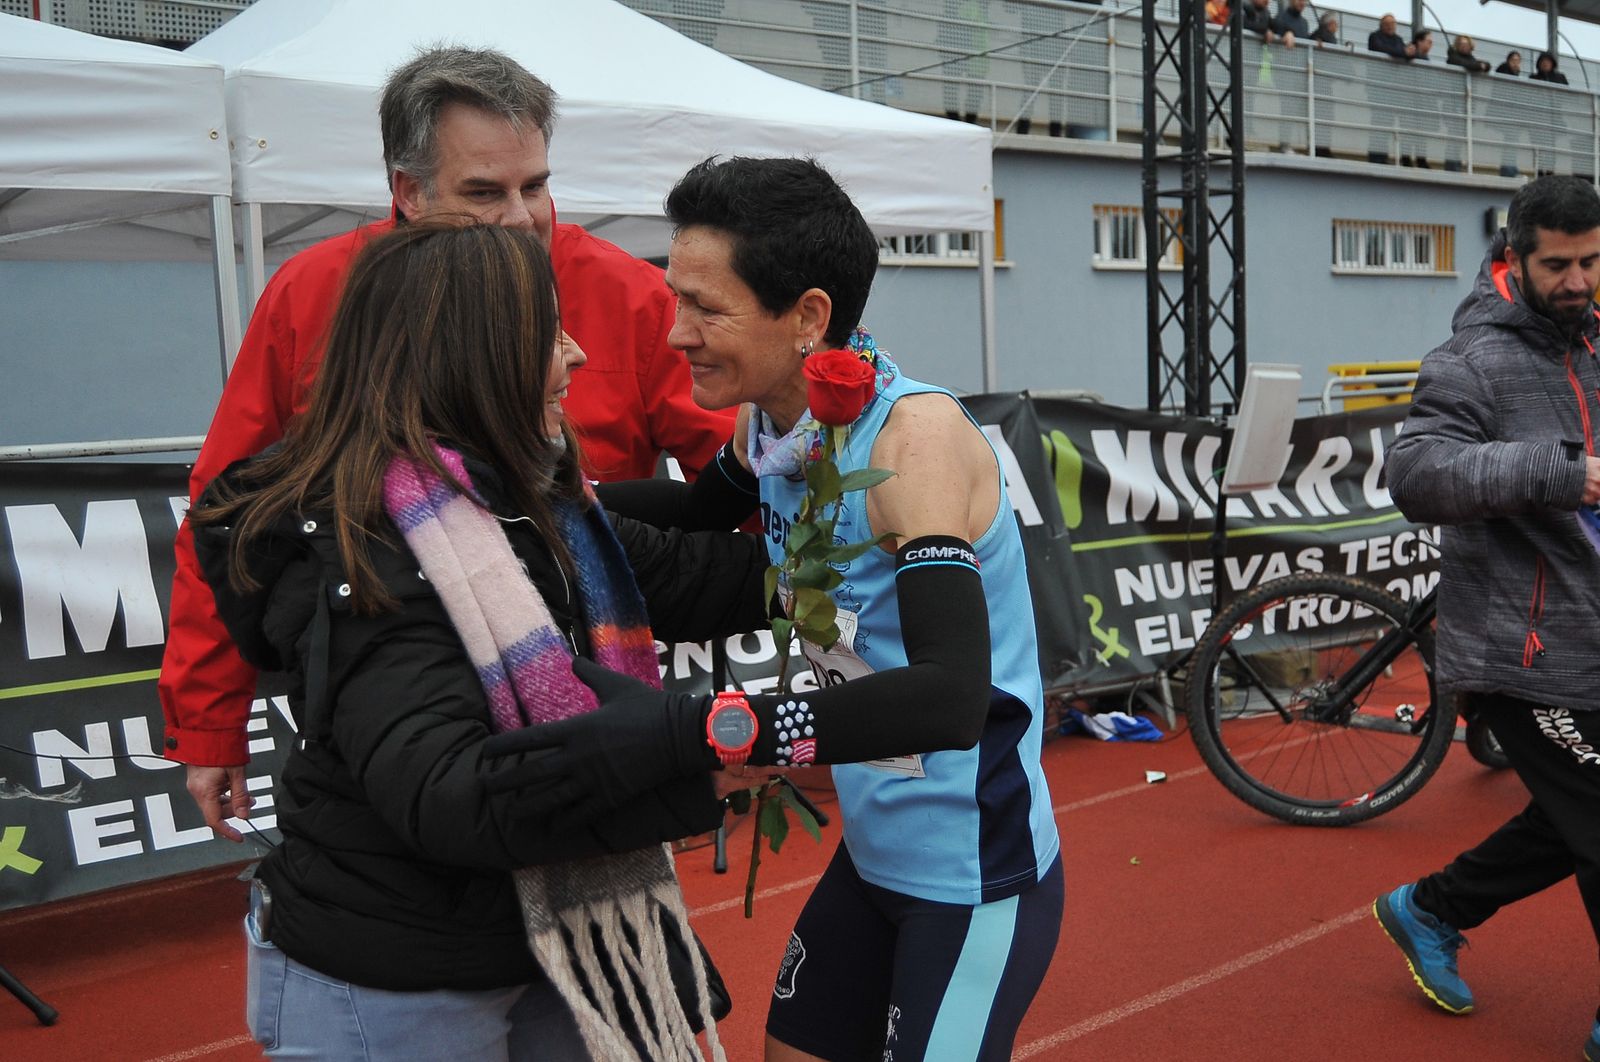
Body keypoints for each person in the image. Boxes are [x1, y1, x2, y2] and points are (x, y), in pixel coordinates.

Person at [524, 155, 1064, 1061]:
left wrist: (708, 731)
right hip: (875, 853)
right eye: (675, 299)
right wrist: (522, 498)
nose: (676, 335)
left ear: (809, 316)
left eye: (707, 308)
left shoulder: (913, 442)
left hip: (974, 871)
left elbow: (946, 699)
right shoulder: (782, 420)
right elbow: (694, 518)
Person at [191, 221, 772, 1060]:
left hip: (548, 947)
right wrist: (682, 755)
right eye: (549, 335)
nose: (575, 357)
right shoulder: (369, 543)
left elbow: (704, 576)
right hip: (396, 978)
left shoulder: (528, 500)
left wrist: (871, 516)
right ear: (472, 355)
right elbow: (449, 792)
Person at [161, 46, 735, 844]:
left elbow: (741, 481)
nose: (517, 215)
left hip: (581, 717)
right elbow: (231, 511)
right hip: (386, 734)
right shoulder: (314, 294)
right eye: (482, 191)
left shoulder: (631, 294)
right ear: (408, 190)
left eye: (534, 185)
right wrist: (208, 724)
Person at [1375, 175, 1600, 1062]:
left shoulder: (1594, 340)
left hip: (1594, 640)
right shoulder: (1468, 361)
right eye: (1559, 264)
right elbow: (1416, 477)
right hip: (1522, 653)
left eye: (1591, 261)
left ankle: (1432, 907)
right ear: (1515, 256)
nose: (1578, 281)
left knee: (1569, 812)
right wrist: (1558, 473)